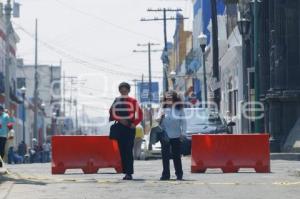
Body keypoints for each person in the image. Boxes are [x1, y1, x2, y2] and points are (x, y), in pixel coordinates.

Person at [109, 82, 143, 180]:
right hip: (120, 128)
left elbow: (139, 114)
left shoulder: (133, 101)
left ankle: (129, 173)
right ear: (119, 91)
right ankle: (125, 172)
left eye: (125, 89)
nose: (123, 91)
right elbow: (111, 112)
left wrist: (134, 124)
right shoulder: (117, 100)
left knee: (128, 150)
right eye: (121, 89)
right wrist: (120, 119)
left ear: (128, 90)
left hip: (129, 128)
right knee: (122, 151)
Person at [157, 90, 186, 181]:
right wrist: (160, 117)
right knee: (165, 156)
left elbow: (184, 122)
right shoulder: (162, 109)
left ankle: (179, 174)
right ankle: (165, 174)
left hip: (176, 135)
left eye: (171, 98)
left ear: (174, 99)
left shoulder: (179, 110)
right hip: (165, 135)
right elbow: (157, 121)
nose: (169, 100)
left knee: (176, 156)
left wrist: (183, 133)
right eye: (167, 98)